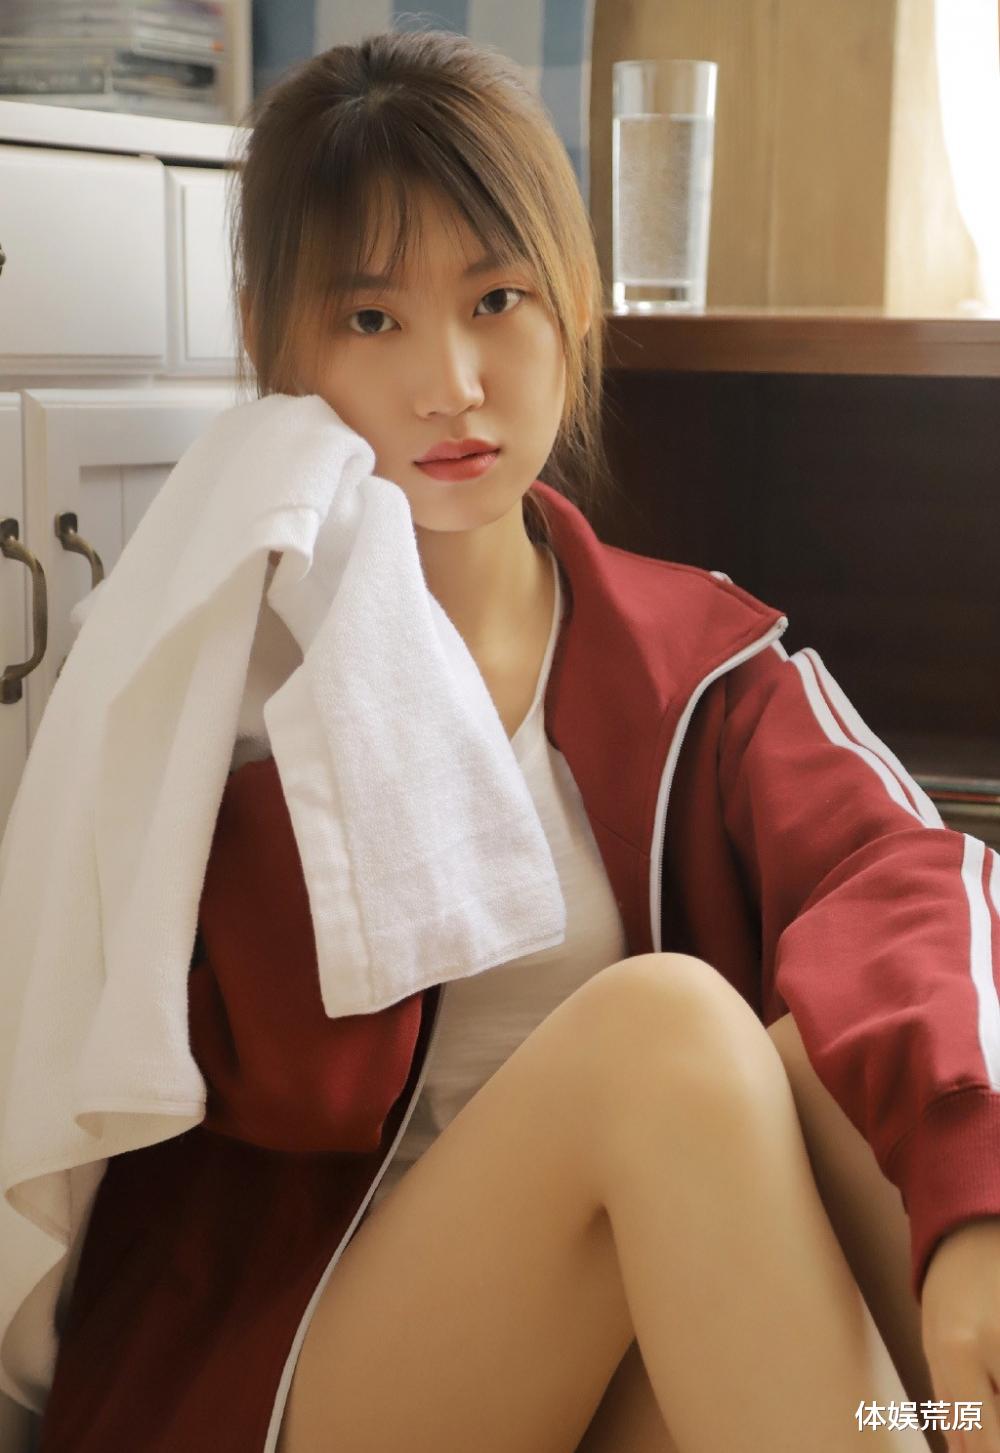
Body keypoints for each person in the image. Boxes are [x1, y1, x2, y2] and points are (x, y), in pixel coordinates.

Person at [33, 26, 1000, 1453]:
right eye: (372, 320)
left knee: (842, 1075)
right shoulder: (211, 675)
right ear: (272, 340)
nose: (452, 383)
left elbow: (905, 874)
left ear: (576, 300)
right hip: (286, 1364)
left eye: (496, 299)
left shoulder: (695, 656)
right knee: (668, 1036)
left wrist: (975, 1215)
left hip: (593, 1342)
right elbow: (260, 1080)